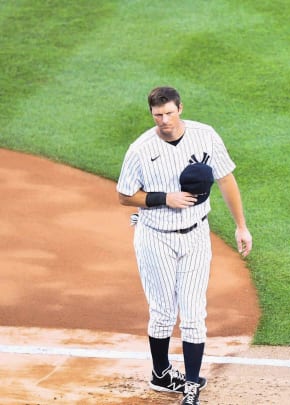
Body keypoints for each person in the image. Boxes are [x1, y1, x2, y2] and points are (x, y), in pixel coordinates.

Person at [116, 86, 252, 405]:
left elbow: (226, 179)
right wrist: (165, 198)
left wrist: (241, 226)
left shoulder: (205, 136)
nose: (164, 120)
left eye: (169, 113)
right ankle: (161, 374)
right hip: (155, 237)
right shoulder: (140, 149)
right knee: (163, 313)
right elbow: (124, 195)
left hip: (195, 236)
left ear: (180, 108)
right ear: (152, 114)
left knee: (193, 314)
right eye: (157, 115)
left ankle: (191, 386)